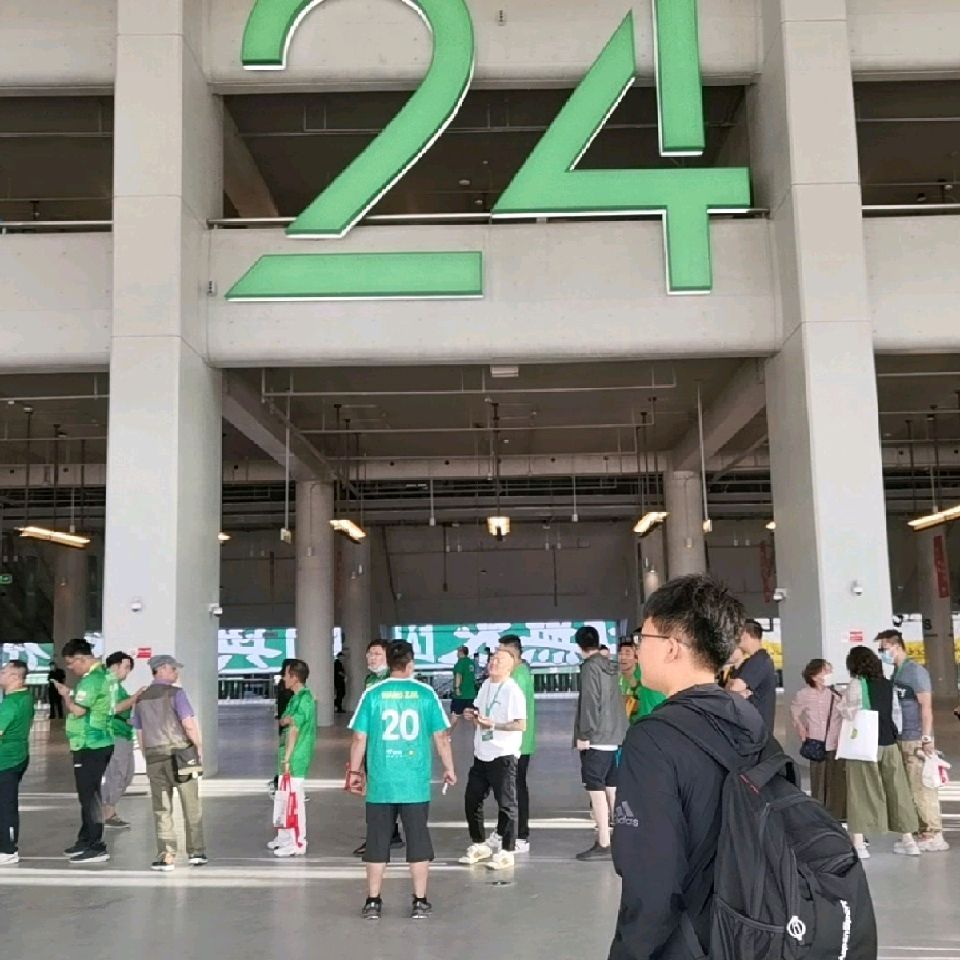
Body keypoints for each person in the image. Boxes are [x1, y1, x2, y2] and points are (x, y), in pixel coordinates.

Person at [608, 575, 768, 960]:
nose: (637, 648)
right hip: (747, 925)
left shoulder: (652, 739)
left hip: (691, 938)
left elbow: (650, 877)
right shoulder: (746, 717)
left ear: (672, 647)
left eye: (643, 638)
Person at [348, 641, 455, 921]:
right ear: (410, 664)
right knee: (418, 841)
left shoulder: (373, 694)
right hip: (414, 783)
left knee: (377, 843)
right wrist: (449, 768)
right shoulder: (426, 694)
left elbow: (359, 737)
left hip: (380, 783)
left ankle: (373, 901)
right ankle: (420, 901)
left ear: (389, 662)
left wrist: (355, 772)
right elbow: (441, 736)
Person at [841, 646, 919, 859]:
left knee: (860, 792)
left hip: (865, 746)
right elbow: (896, 714)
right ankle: (909, 841)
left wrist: (841, 701)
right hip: (889, 743)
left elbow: (850, 713)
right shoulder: (887, 684)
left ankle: (859, 845)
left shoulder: (857, 684)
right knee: (898, 790)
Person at [132, 654, 207, 872]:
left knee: (161, 807)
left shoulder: (141, 699)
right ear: (162, 669)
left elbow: (140, 733)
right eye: (173, 669)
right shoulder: (176, 693)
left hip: (154, 757)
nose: (176, 673)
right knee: (191, 805)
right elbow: (188, 723)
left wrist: (147, 756)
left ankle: (166, 855)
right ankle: (196, 852)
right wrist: (198, 747)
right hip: (181, 756)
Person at [877, 629, 949, 852]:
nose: (881, 653)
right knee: (909, 787)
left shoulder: (915, 672)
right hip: (901, 736)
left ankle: (933, 833)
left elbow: (926, 707)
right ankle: (921, 830)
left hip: (915, 737)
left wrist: (926, 738)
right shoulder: (896, 673)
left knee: (922, 786)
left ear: (896, 646)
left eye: (883, 648)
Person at [459, 647, 527, 870]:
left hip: (503, 754)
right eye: (492, 659)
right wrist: (472, 715)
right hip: (482, 753)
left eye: (499, 660)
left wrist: (494, 725)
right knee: (472, 799)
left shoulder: (512, 691)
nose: (493, 663)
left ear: (510, 666)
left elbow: (521, 724)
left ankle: (507, 851)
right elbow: (480, 714)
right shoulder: (486, 685)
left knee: (506, 804)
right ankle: (479, 844)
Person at [54, 638, 118, 865]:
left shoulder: (91, 680)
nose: (70, 668)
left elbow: (78, 710)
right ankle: (85, 839)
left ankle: (96, 845)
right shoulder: (106, 676)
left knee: (89, 796)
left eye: (71, 663)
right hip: (101, 741)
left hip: (90, 744)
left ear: (81, 658)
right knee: (89, 794)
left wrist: (66, 695)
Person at [573, 624, 628, 861]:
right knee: (612, 787)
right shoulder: (610, 666)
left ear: (580, 646)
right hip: (615, 736)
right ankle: (623, 839)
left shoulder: (590, 668)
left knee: (595, 790)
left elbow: (590, 702)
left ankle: (604, 842)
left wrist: (584, 734)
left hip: (597, 738)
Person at [486, 635, 535, 853]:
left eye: (502, 653)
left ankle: (520, 835)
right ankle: (502, 831)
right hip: (509, 743)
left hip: (518, 744)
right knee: (506, 790)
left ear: (514, 653)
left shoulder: (518, 677)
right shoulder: (516, 674)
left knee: (515, 791)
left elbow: (514, 715)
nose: (498, 658)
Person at [354, 639, 403, 856]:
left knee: (383, 792)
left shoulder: (393, 679)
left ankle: (380, 837)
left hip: (390, 743)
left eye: (377, 654)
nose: (371, 658)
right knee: (377, 789)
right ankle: (389, 833)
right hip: (373, 742)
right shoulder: (370, 679)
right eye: (369, 653)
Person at [269, 659, 316, 857]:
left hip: (295, 757)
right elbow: (283, 720)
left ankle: (297, 842)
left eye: (286, 675)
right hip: (286, 755)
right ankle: (284, 837)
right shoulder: (294, 697)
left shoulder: (305, 699)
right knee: (283, 798)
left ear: (295, 677)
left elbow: (294, 727)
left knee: (294, 801)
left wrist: (288, 758)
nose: (283, 678)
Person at [790, 658, 846, 820]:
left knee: (836, 779)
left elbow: (846, 714)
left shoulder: (836, 693)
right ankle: (819, 813)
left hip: (836, 742)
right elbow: (794, 712)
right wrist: (800, 727)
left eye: (830, 670)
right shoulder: (804, 694)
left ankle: (837, 814)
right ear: (814, 676)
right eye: (825, 671)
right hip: (816, 742)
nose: (829, 674)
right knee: (818, 779)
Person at [101, 652, 145, 829]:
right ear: (115, 666)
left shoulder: (117, 687)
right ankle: (107, 813)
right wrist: (135, 697)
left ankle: (108, 811)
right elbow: (114, 709)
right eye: (126, 667)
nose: (127, 672)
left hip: (124, 734)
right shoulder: (108, 684)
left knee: (126, 775)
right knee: (117, 774)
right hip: (115, 735)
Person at [0, 660, 33, 866]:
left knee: (6, 805)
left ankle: (8, 849)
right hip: (19, 755)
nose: (0, 674)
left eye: (3, 672)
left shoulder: (11, 703)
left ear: (15, 677)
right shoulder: (26, 697)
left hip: (6, 760)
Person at [726, 618, 776, 735]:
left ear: (746, 634)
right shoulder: (749, 662)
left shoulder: (760, 659)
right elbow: (728, 688)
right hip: (747, 728)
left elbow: (734, 688)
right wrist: (737, 692)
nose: (735, 639)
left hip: (755, 731)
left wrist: (736, 691)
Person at [620, 636, 666, 725]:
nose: (622, 657)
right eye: (620, 653)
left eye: (627, 653)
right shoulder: (623, 679)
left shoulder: (649, 674)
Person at [449, 645, 478, 726]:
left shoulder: (460, 662)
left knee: (454, 716)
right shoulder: (471, 662)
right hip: (471, 694)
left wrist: (457, 688)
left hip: (461, 695)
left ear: (461, 652)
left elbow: (458, 675)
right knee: (474, 715)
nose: (457, 653)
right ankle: (479, 732)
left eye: (458, 651)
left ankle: (447, 733)